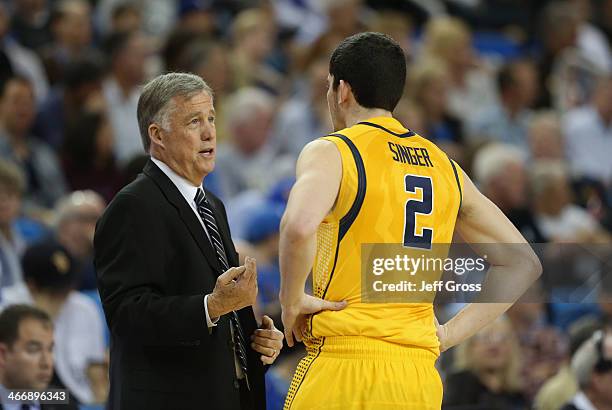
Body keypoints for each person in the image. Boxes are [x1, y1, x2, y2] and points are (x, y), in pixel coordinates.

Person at [279, 32, 541, 409]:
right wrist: (447, 336)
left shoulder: (334, 150)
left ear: (342, 91)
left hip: (345, 365)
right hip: (416, 378)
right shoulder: (445, 166)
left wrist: (290, 300)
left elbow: (299, 225)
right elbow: (523, 262)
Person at [94, 72, 284, 410]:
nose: (210, 131)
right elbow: (126, 315)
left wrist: (257, 342)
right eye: (194, 121)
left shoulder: (212, 204)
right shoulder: (133, 206)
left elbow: (225, 307)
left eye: (211, 118)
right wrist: (210, 307)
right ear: (158, 135)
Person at [0, 304, 77, 409]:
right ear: (3, 355)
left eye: (50, 349)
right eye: (34, 350)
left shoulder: (62, 402)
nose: (47, 363)